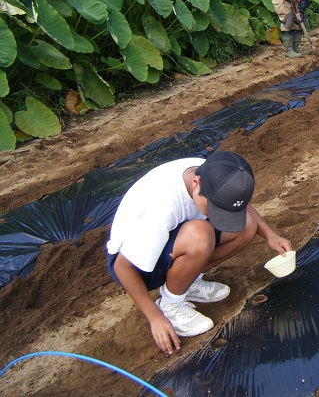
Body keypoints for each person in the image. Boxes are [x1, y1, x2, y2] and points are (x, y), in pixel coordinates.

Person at [106, 151, 292, 355]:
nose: (217, 216)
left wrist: (270, 235)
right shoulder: (160, 208)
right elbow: (122, 266)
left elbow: (238, 203)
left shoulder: (216, 173)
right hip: (139, 266)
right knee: (201, 234)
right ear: (196, 183)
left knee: (247, 226)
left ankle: (187, 281)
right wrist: (155, 317)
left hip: (173, 239)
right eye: (213, 209)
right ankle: (170, 305)